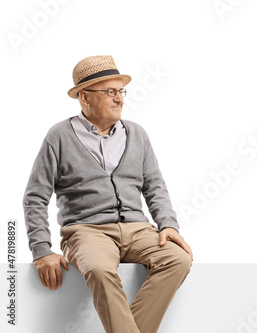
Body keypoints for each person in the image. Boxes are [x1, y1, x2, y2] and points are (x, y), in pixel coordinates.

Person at [23, 55, 193, 333]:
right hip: (86, 230)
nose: (119, 99)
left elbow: (155, 186)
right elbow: (35, 197)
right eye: (110, 92)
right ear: (85, 98)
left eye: (120, 91)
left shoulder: (137, 134)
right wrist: (41, 249)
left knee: (178, 260)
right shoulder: (59, 136)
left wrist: (168, 225)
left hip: (138, 230)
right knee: (100, 271)